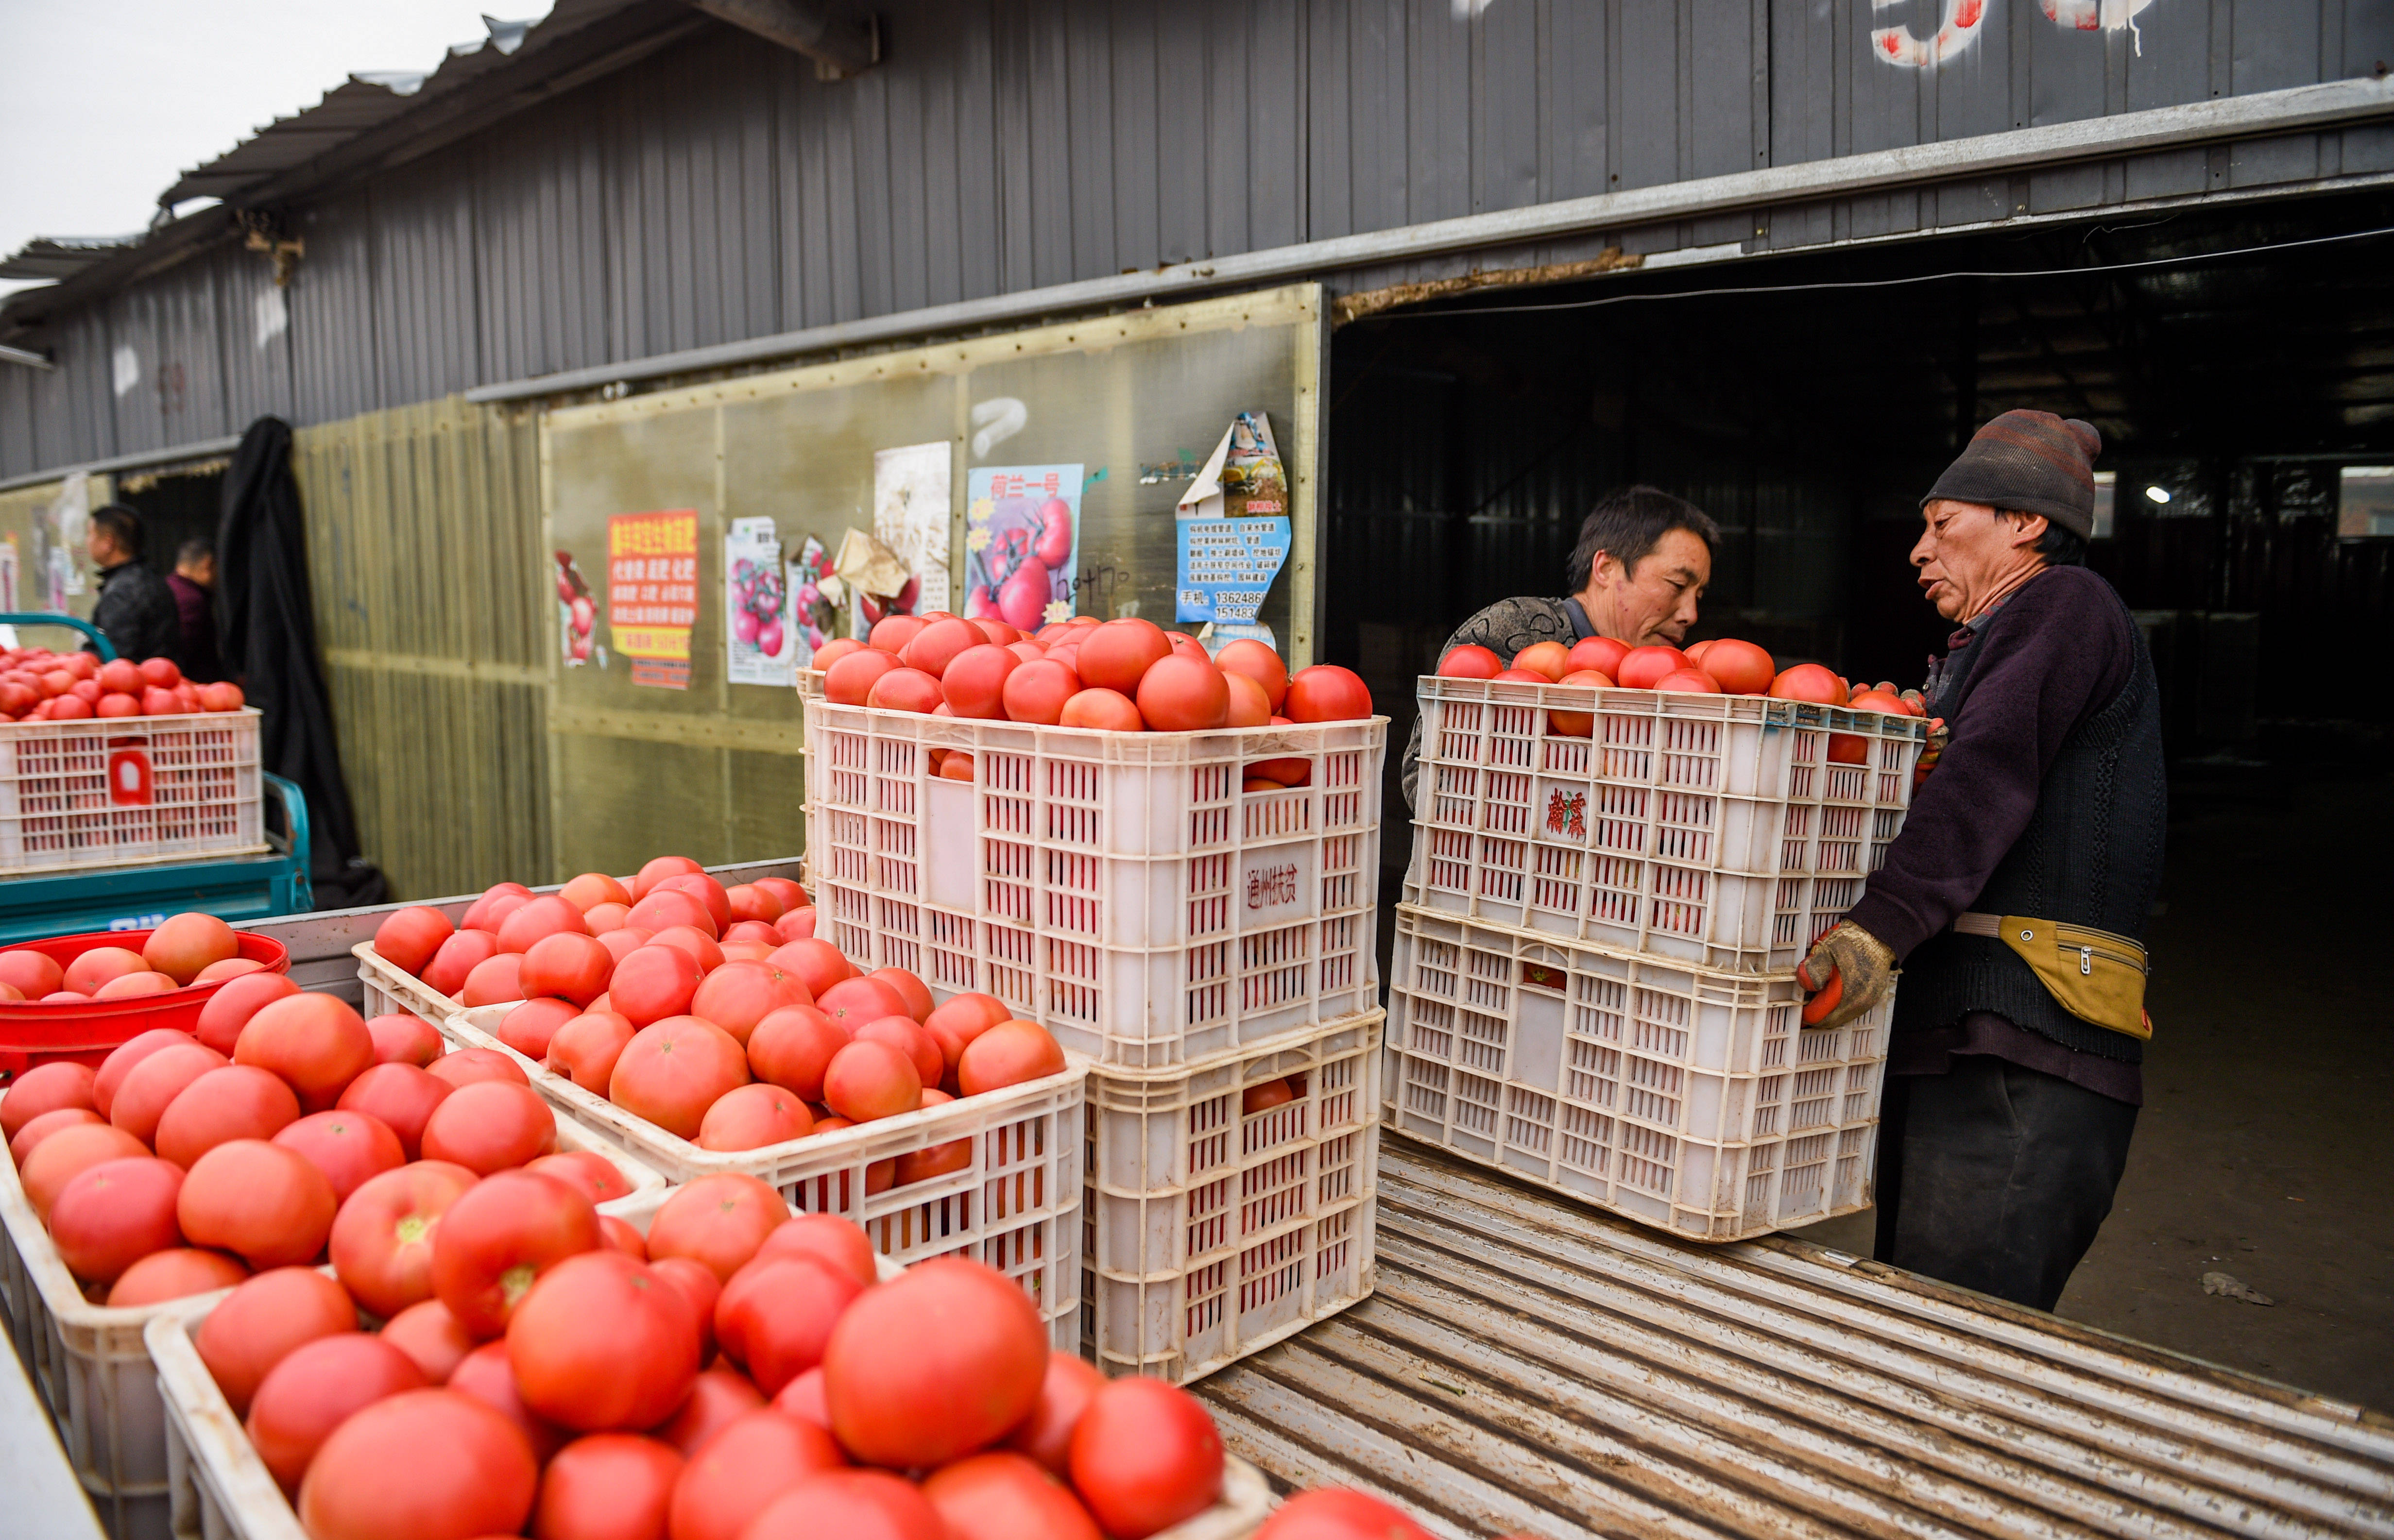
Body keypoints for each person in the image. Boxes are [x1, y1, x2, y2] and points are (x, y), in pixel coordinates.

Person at [1800, 410, 2165, 1313]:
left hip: (2025, 1054)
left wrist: (1878, 927)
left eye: (1941, 524)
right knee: (1916, 1315)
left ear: (2024, 523)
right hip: (1967, 1045)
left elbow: (1987, 772)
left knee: (1955, 1348)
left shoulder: (2062, 605)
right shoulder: (1994, 640)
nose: (1919, 551)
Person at [1401, 485, 1717, 811]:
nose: (1690, 614)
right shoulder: (1514, 629)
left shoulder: (1671, 676)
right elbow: (1423, 780)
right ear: (1606, 568)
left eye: (1699, 596)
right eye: (1677, 585)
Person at [84, 504, 181, 664]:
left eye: (90, 534)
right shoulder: (150, 578)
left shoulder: (124, 591)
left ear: (109, 542)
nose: (87, 541)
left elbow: (114, 655)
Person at [166, 537, 225, 682]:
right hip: (191, 685)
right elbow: (183, 649)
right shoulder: (191, 600)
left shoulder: (167, 587)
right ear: (209, 565)